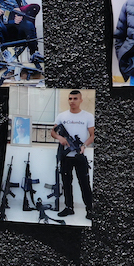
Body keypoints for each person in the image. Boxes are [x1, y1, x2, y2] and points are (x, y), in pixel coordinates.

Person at [53, 89, 95, 219]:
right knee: (66, 183)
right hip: (66, 157)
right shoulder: (62, 116)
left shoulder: (88, 116)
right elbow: (53, 132)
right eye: (70, 98)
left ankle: (90, 209)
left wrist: (84, 145)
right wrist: (60, 138)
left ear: (81, 100)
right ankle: (69, 208)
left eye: (75, 98)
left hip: (79, 155)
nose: (72, 101)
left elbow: (93, 135)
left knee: (84, 183)